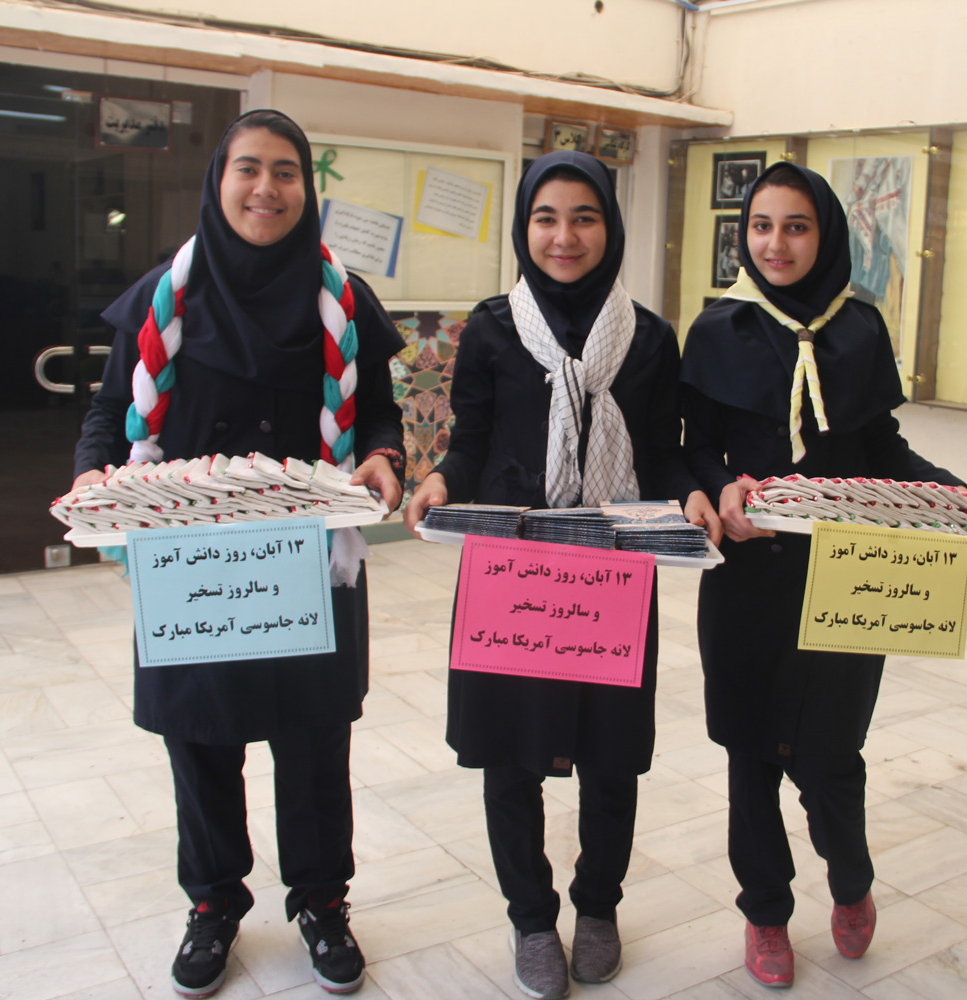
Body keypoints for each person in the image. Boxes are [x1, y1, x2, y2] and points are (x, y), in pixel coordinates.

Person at [72, 109, 406, 998]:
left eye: (286, 170)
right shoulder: (163, 297)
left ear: (307, 186)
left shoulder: (342, 299)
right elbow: (109, 412)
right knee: (201, 737)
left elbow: (378, 411)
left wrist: (384, 455)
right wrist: (95, 475)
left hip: (310, 559)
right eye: (248, 168)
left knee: (314, 740)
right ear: (218, 179)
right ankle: (214, 902)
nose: (267, 187)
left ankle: (321, 902)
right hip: (196, 565)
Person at [403, 150, 719, 1000]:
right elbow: (470, 441)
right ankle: (532, 918)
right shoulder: (492, 329)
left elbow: (662, 452)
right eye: (546, 217)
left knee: (611, 757)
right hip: (513, 570)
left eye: (585, 217)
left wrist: (690, 491)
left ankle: (599, 905)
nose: (564, 236)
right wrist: (440, 479)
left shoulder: (648, 338)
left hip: (611, 569)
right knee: (510, 757)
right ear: (524, 227)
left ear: (611, 226)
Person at [680, 163, 965, 989]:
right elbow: (693, 447)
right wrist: (718, 488)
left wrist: (950, 494)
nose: (776, 243)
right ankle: (766, 913)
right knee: (750, 759)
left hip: (848, 576)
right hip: (746, 578)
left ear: (825, 234)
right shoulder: (717, 328)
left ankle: (850, 879)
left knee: (831, 756)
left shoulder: (860, 329)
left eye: (796, 227)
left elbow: (882, 449)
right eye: (762, 226)